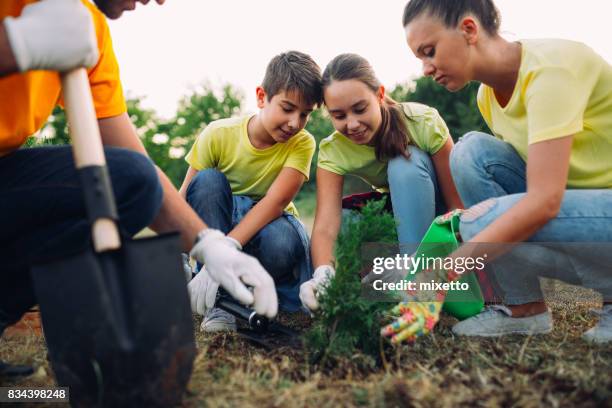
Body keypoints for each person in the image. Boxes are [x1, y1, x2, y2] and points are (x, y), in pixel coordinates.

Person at [0, 0, 277, 365]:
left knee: (131, 181)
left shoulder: (87, 31)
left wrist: (209, 246)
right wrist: (18, 43)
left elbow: (138, 168)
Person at [385, 0, 612, 344]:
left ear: (469, 29)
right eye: (420, 58)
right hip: (579, 207)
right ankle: (525, 308)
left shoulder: (552, 71)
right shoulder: (486, 98)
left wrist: (444, 271)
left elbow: (545, 201)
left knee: (480, 222)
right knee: (470, 154)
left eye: (429, 52)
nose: (426, 68)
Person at [300, 53, 463, 312]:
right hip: (399, 219)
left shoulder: (422, 122)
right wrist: (323, 272)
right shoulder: (333, 149)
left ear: (380, 94)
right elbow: (326, 226)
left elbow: (457, 205)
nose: (352, 124)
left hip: (437, 222)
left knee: (403, 165)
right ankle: (389, 276)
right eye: (338, 115)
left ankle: (416, 279)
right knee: (347, 221)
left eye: (360, 109)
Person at [180, 51, 321, 331]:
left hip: (269, 225)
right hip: (221, 223)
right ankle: (221, 302)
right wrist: (182, 255)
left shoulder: (302, 143)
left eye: (305, 114)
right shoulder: (217, 134)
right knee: (207, 181)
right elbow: (185, 196)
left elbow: (276, 202)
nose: (295, 122)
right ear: (261, 97)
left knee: (282, 240)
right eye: (287, 108)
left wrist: (227, 248)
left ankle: (240, 287)